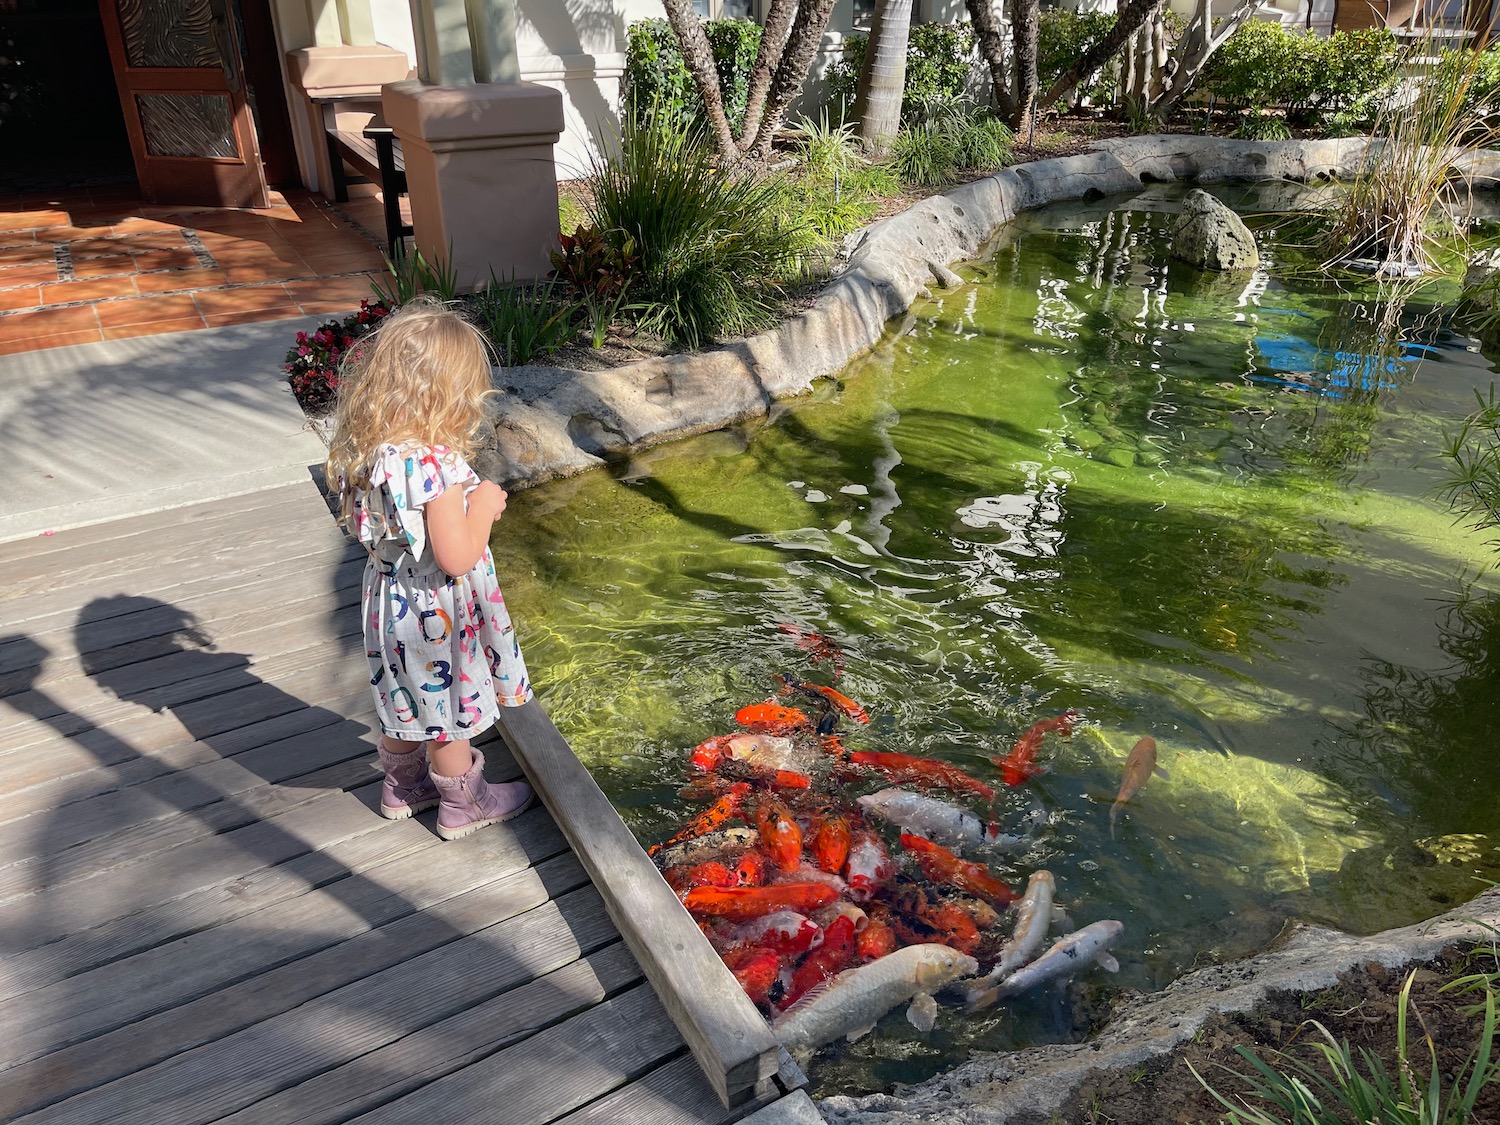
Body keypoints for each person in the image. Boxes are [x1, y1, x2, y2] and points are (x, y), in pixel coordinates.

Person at [324, 297, 533, 840]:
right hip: (432, 609)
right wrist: (484, 504)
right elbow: (456, 556)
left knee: (402, 692)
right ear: (452, 394)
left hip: (388, 599)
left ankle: (402, 786)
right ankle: (464, 803)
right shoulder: (434, 466)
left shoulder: (371, 452)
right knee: (447, 709)